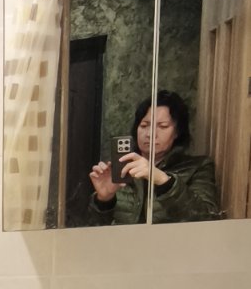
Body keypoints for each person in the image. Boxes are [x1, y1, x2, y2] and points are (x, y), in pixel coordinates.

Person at [88, 90, 221, 224]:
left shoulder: (197, 167)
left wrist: (164, 181)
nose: (150, 134)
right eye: (144, 125)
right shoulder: (119, 169)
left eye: (162, 126)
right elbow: (92, 230)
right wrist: (104, 200)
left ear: (177, 132)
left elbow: (208, 219)